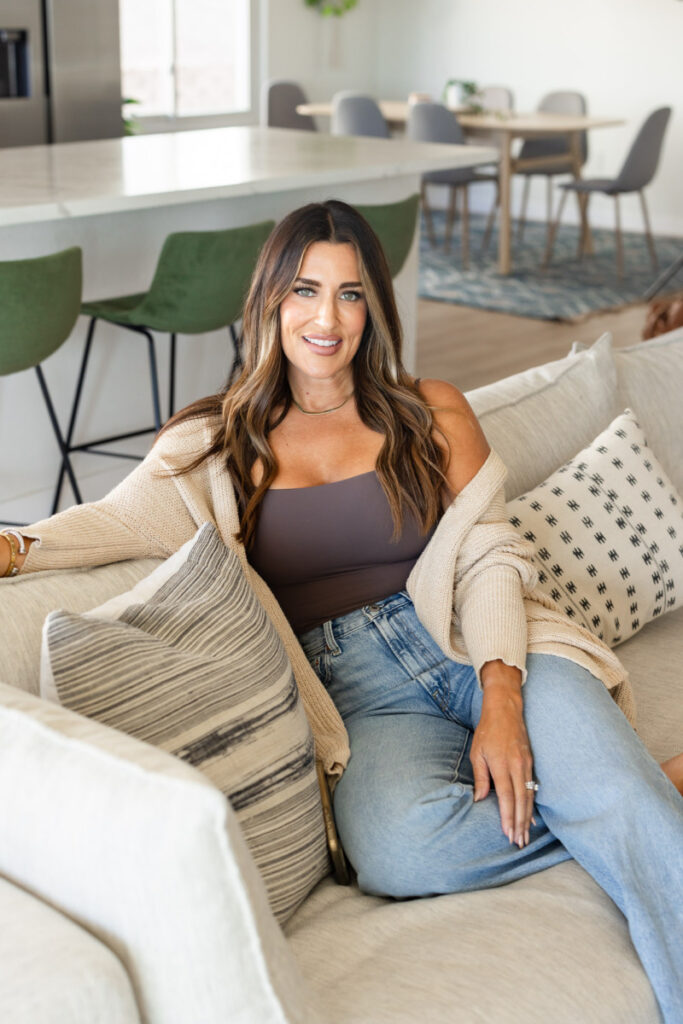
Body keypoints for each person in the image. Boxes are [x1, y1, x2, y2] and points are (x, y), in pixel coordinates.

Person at [2, 200, 682, 1020]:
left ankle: (626, 800)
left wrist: (502, 698)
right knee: (395, 853)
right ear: (269, 302)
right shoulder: (214, 444)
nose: (327, 318)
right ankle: (629, 789)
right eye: (305, 291)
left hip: (490, 644)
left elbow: (491, 553)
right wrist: (16, 548)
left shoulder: (429, 411)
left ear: (375, 308)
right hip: (359, 694)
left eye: (351, 294)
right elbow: (110, 521)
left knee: (628, 810)